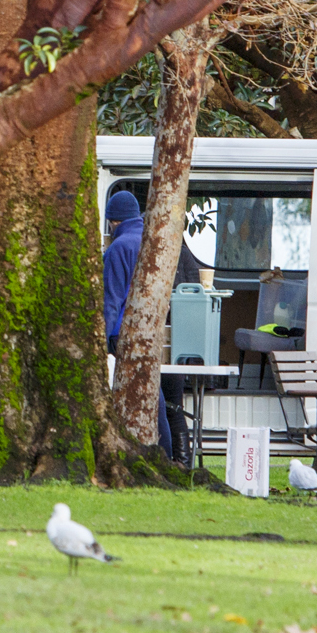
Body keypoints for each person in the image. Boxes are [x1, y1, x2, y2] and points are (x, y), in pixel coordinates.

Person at [101, 188, 176, 458]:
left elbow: (113, 297)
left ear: (113, 221)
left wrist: (108, 336)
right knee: (152, 396)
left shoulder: (118, 248)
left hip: (124, 332)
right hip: (151, 331)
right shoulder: (152, 241)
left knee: (129, 396)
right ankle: (166, 455)